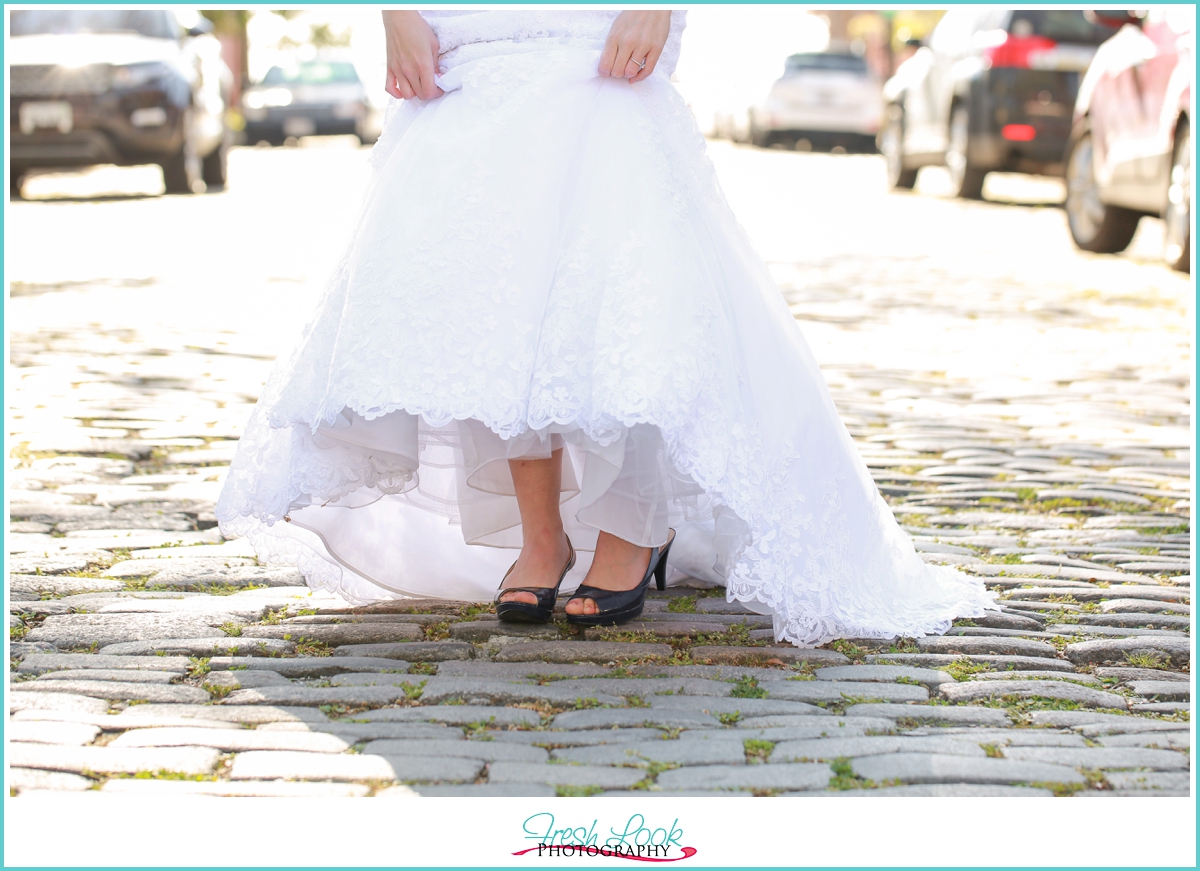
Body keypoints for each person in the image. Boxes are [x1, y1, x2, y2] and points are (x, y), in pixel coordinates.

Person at [216, 9, 996, 646]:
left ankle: (631, 527)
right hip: (473, 35)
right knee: (490, 290)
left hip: (591, 32)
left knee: (630, 295)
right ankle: (541, 535)